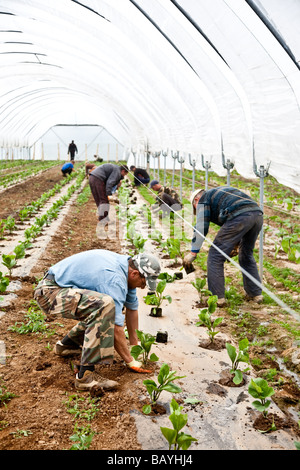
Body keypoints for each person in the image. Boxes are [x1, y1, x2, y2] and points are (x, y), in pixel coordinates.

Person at [34, 250, 161, 391]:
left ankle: (67, 345)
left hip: (61, 289)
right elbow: (117, 328)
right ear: (135, 274)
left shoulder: (127, 268)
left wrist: (134, 347)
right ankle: (86, 376)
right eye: (143, 283)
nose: (143, 287)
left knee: (100, 309)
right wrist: (130, 361)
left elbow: (132, 310)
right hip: (49, 293)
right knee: (105, 306)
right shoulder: (114, 279)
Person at [183, 186, 264, 306]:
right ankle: (255, 294)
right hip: (257, 214)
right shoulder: (220, 195)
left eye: (196, 208)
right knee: (246, 254)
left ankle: (217, 298)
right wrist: (235, 245)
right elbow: (237, 221)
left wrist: (193, 253)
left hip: (240, 216)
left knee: (215, 255)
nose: (197, 209)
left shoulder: (203, 199)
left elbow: (201, 227)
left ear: (196, 200)